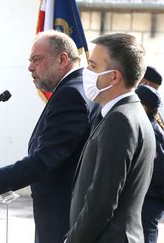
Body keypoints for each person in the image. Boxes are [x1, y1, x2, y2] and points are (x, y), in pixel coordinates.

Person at [0, 30, 94, 243]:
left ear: (62, 59)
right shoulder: (76, 89)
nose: (30, 67)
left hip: (62, 218)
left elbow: (44, 161)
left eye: (36, 60)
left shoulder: (71, 94)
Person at [65, 33, 155, 243]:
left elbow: (102, 200)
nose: (86, 72)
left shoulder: (120, 120)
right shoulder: (127, 113)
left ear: (114, 77)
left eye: (93, 66)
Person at [136, 85, 164, 243]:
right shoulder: (149, 124)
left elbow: (160, 172)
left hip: (150, 202)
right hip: (148, 199)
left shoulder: (152, 132)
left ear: (142, 105)